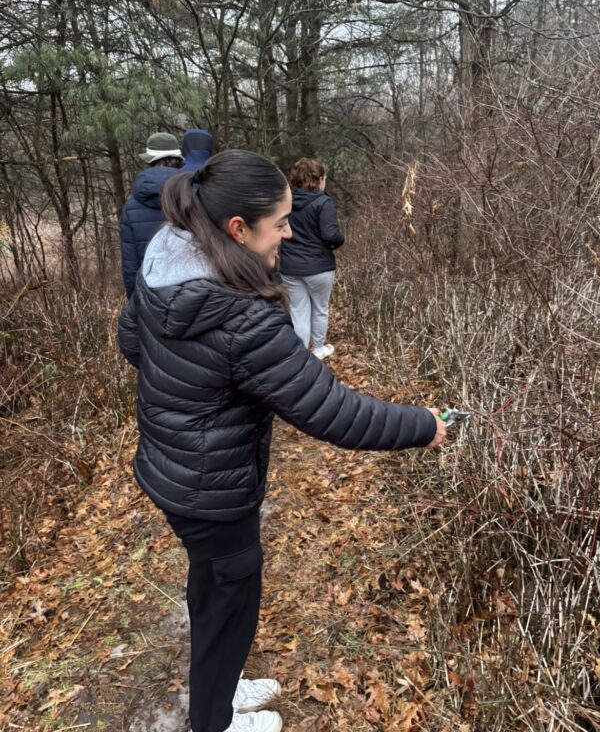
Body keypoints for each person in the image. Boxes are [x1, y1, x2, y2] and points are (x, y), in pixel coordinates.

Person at [118, 150, 446, 732]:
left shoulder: (164, 263)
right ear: (237, 229)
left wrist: (193, 389)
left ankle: (219, 689)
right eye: (280, 223)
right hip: (213, 491)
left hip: (172, 469)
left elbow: (132, 342)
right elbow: (334, 413)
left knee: (211, 590)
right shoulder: (238, 317)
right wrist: (425, 425)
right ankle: (213, 720)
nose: (290, 233)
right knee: (231, 604)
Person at [279, 158, 344, 360]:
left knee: (298, 310)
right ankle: (317, 350)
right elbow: (331, 235)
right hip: (319, 266)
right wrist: (339, 241)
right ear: (319, 179)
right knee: (319, 308)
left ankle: (299, 355)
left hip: (290, 266)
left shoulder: (284, 201)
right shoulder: (323, 203)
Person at [119, 132, 183, 298]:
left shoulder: (131, 206)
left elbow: (130, 265)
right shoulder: (196, 195)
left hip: (151, 298)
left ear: (150, 161)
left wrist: (135, 305)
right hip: (196, 299)